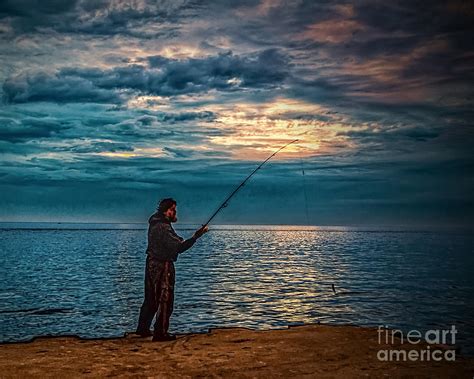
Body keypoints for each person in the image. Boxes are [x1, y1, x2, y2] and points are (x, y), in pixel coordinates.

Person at [136, 198, 208, 341]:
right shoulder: (163, 226)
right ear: (166, 211)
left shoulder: (155, 223)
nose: (175, 212)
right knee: (165, 299)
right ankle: (160, 333)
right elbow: (179, 247)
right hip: (162, 265)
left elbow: (173, 242)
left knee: (151, 298)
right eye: (173, 209)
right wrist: (195, 237)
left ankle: (142, 329)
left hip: (150, 263)